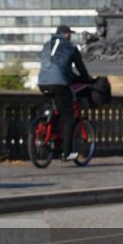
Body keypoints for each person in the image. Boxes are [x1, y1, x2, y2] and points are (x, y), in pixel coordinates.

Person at [37, 24, 93, 161]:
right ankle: (67, 153)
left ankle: (48, 130)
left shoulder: (46, 45)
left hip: (42, 82)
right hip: (59, 84)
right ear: (66, 34)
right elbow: (80, 68)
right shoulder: (71, 47)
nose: (71, 36)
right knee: (69, 117)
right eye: (70, 34)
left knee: (56, 109)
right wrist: (87, 79)